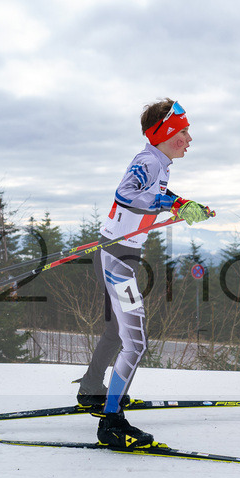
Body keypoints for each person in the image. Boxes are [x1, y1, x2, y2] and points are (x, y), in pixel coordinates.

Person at [76, 99, 211, 448]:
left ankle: (92, 389)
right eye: (183, 131)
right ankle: (112, 423)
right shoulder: (148, 161)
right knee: (136, 343)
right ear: (166, 132)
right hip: (117, 261)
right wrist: (173, 204)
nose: (189, 139)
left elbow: (156, 195)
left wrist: (183, 203)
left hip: (118, 254)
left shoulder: (159, 164)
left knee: (117, 330)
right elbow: (126, 193)